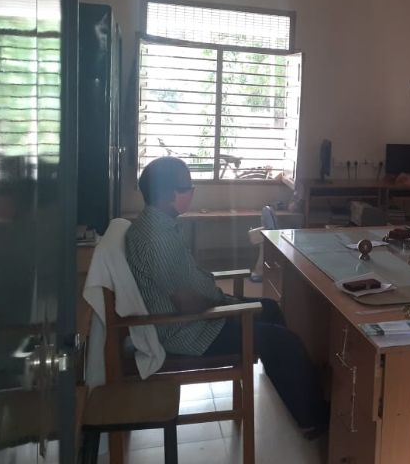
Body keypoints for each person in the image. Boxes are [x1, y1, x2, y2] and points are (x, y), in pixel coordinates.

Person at [125, 156, 328, 436]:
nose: (192, 192)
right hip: (188, 332)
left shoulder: (158, 224)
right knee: (284, 341)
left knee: (269, 308)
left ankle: (291, 392)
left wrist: (222, 299)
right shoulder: (156, 238)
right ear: (167, 193)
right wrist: (222, 303)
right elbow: (186, 302)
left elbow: (187, 283)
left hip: (196, 318)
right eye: (187, 187)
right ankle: (314, 419)